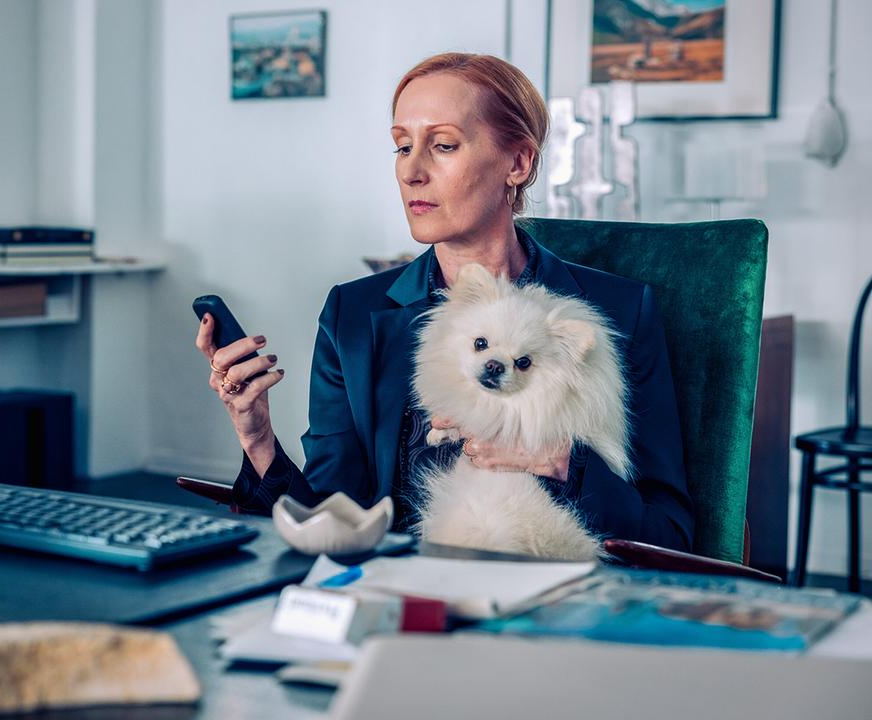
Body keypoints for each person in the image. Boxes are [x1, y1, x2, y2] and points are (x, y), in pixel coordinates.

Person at [194, 53, 694, 551]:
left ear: (518, 163)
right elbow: (330, 512)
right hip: (400, 596)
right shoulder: (353, 315)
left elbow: (670, 535)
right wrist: (257, 436)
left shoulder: (618, 313)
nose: (411, 172)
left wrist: (562, 463)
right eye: (402, 146)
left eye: (444, 145)